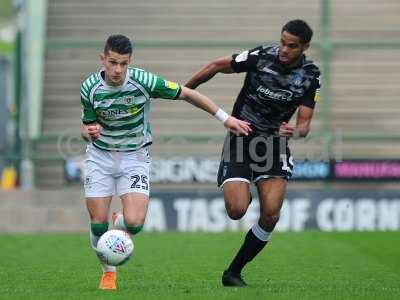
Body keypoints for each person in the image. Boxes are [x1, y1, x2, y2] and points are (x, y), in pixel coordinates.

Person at [80, 34, 252, 290]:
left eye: (123, 64)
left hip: (134, 157)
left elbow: (188, 94)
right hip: (100, 157)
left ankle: (121, 221)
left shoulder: (144, 81)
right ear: (103, 59)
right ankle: (108, 273)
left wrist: (225, 118)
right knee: (97, 222)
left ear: (130, 62)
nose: (117, 70)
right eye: (113, 62)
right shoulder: (90, 87)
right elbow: (86, 126)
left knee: (135, 224)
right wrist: (89, 131)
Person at [185, 19, 321, 287]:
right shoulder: (261, 56)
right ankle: (242, 183)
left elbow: (304, 125)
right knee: (236, 210)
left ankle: (233, 272)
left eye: (291, 46)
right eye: (282, 42)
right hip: (241, 137)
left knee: (270, 214)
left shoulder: (310, 75)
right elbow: (215, 66)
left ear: (304, 47)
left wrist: (296, 130)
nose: (283, 49)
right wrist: (185, 91)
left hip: (273, 145)